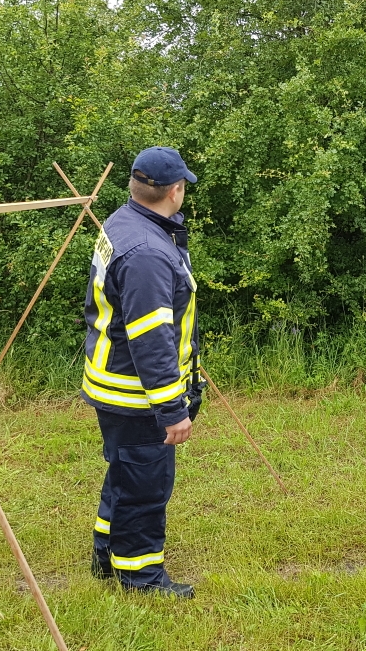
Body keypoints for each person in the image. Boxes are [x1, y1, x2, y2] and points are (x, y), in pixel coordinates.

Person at [81, 146, 203, 598]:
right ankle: (140, 577)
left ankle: (105, 553)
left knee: (124, 471)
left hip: (112, 381)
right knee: (146, 487)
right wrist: (172, 409)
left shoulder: (125, 221)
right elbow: (150, 339)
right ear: (175, 190)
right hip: (135, 393)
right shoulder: (148, 251)